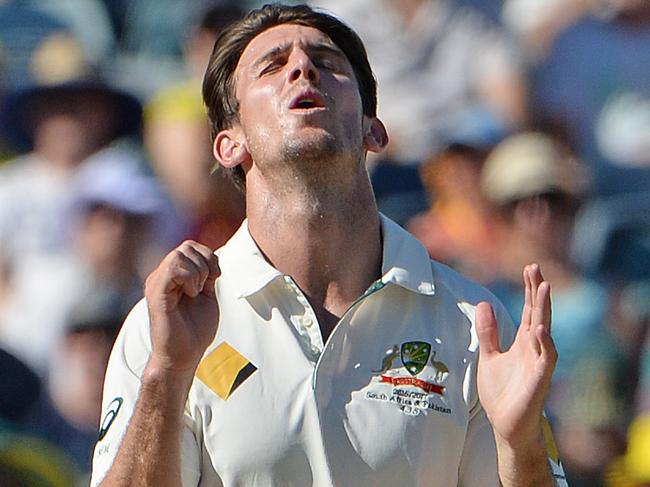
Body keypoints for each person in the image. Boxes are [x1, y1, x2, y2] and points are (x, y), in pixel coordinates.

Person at [91, 4, 566, 486]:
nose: (303, 68)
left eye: (329, 63)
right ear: (229, 144)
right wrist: (166, 374)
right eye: (273, 66)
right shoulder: (168, 326)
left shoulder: (472, 320)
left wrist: (519, 445)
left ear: (373, 130)